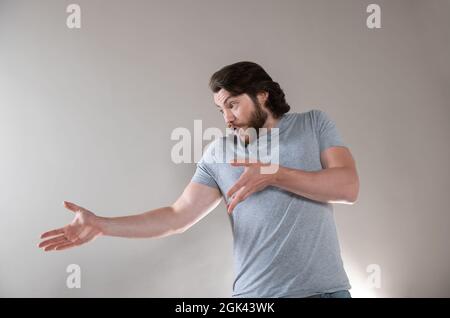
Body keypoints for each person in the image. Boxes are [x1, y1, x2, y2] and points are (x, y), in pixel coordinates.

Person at [38, 61, 359, 298]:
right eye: (221, 110)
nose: (228, 118)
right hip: (257, 298)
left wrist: (275, 174)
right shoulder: (219, 152)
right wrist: (104, 225)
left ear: (262, 95)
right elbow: (177, 217)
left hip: (326, 292)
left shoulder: (313, 124)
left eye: (233, 104)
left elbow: (347, 186)